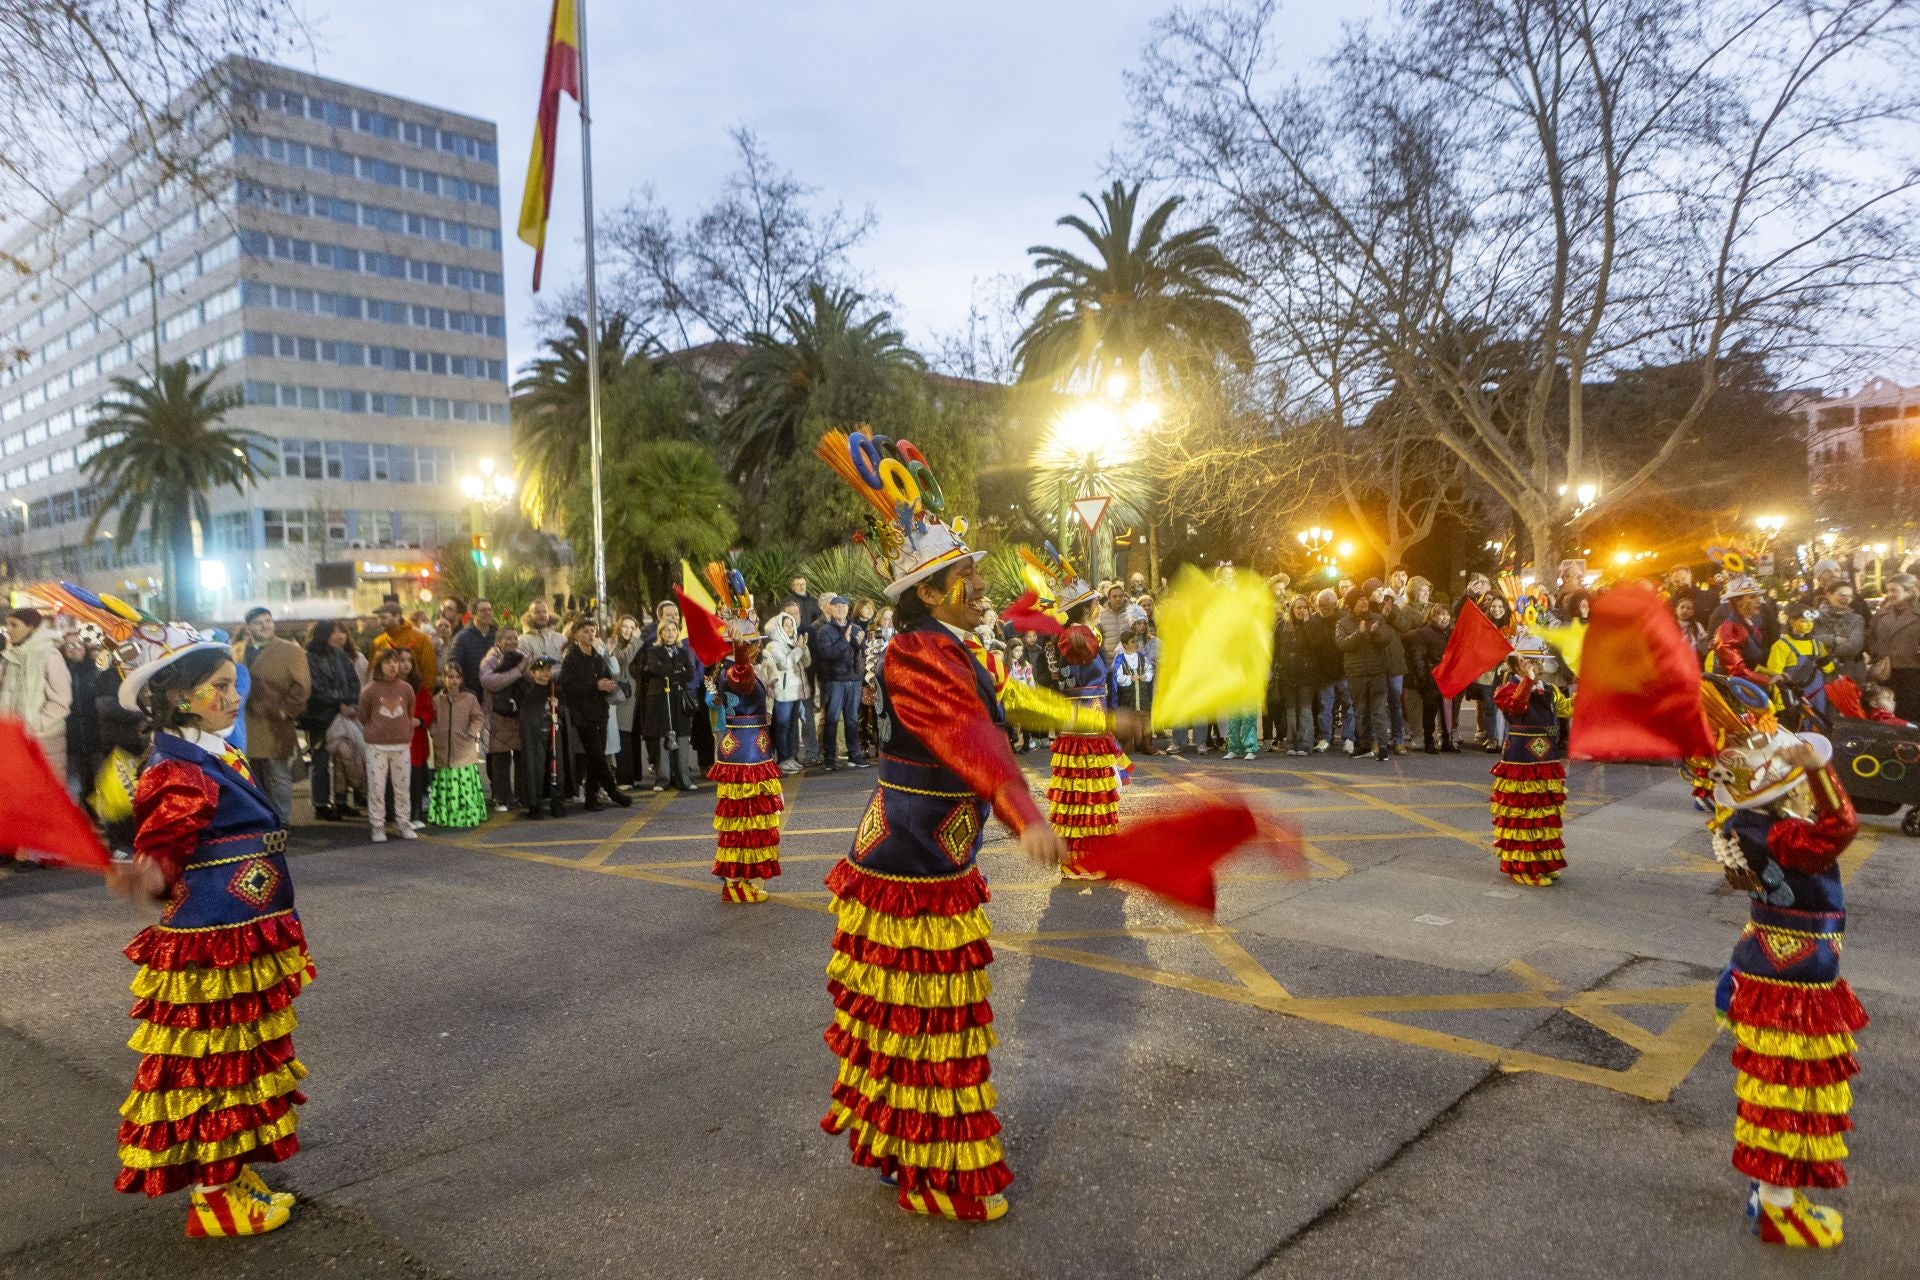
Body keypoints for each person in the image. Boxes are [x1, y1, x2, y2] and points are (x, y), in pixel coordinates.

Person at [814, 429, 1137, 1223]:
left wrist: (1096, 724)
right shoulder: (916, 654)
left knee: (922, 1018)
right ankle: (927, 1168)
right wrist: (1023, 811)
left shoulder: (959, 646)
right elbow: (971, 737)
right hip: (909, 858)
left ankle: (905, 1151)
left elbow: (1011, 704)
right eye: (966, 577)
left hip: (931, 853)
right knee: (924, 1017)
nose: (982, 583)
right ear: (928, 591)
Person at [108, 629, 308, 1234]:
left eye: (232, 682)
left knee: (241, 1060)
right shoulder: (180, 770)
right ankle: (215, 1198)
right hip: (214, 943)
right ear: (182, 695)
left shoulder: (208, 753)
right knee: (218, 1068)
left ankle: (231, 1171)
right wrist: (147, 875)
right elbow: (162, 857)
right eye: (221, 686)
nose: (234, 695)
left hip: (240, 933)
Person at [1700, 698, 1865, 1249]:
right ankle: (1776, 1207)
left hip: (1769, 964)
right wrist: (1820, 770)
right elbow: (1841, 825)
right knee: (1790, 1096)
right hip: (1791, 981)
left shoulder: (1756, 824)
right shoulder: (1780, 836)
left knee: (1776, 1091)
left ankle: (1766, 1194)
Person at [1047, 610, 1130, 879]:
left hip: (1076, 716)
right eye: (1096, 603)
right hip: (1089, 715)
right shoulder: (1082, 637)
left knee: (1077, 787)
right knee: (1090, 788)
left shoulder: (1070, 637)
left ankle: (1078, 860)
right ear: (1088, 609)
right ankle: (1090, 860)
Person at [709, 617, 784, 903]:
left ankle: (737, 881)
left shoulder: (726, 669)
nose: (756, 650)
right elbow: (742, 677)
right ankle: (737, 882)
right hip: (747, 753)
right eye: (753, 645)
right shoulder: (734, 670)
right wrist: (740, 649)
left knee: (743, 820)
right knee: (747, 820)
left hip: (745, 748)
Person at [1488, 645, 1572, 886]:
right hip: (1521, 760)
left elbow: (1566, 709)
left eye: (1538, 661)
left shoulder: (1550, 689)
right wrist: (1527, 681)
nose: (1535, 665)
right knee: (1524, 814)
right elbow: (1515, 708)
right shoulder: (1507, 689)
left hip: (1547, 758)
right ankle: (1523, 867)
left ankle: (1545, 863)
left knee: (1544, 815)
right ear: (1516, 665)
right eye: (1529, 661)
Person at [229, 609, 310, 827]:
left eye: (268, 620)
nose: (265, 625)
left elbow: (302, 686)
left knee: (279, 774)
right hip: (243, 722)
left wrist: (287, 710)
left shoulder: (291, 651)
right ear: (249, 627)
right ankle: (257, 818)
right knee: (248, 773)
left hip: (275, 722)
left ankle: (282, 821)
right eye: (258, 623)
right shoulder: (236, 651)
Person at [556, 619, 632, 811]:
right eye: (586, 631)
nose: (590, 635)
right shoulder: (572, 659)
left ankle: (591, 797)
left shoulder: (598, 658)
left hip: (600, 711)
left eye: (593, 631)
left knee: (594, 757)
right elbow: (568, 686)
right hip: (582, 714)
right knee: (596, 754)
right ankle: (612, 791)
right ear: (576, 635)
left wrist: (608, 686)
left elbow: (606, 676)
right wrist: (594, 686)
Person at [4, 609, 73, 791]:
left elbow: (61, 701)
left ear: (31, 627)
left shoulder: (49, 655)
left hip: (44, 740)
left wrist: (33, 725)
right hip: (14, 741)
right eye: (7, 624)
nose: (8, 629)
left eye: (14, 625)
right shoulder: (10, 657)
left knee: (47, 794)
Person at [300, 620, 361, 821]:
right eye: (334, 632)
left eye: (340, 632)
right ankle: (321, 803)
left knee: (345, 758)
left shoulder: (340, 654)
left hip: (344, 713)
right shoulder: (309, 658)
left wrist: (351, 703)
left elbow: (353, 681)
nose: (339, 636)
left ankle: (341, 800)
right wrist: (340, 704)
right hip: (320, 717)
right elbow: (315, 689)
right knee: (321, 759)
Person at [357, 649, 419, 842]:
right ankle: (377, 825)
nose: (393, 666)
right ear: (379, 666)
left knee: (402, 786)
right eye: (387, 662)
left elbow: (410, 712)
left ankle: (403, 823)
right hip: (377, 746)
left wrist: (407, 730)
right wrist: (373, 730)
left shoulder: (406, 689)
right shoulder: (369, 690)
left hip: (401, 744)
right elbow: (362, 715)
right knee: (377, 786)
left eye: (395, 662)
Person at [809, 596, 870, 771]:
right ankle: (829, 758)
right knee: (832, 719)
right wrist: (844, 640)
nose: (841, 609)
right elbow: (826, 654)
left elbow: (864, 650)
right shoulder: (825, 630)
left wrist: (860, 644)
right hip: (834, 680)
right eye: (837, 606)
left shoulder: (856, 627)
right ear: (830, 609)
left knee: (852, 720)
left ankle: (854, 755)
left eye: (844, 606)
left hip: (854, 679)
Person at [640, 618, 699, 792]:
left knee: (681, 736)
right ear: (660, 633)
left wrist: (669, 671)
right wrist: (675, 671)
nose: (670, 633)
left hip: (678, 699)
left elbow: (689, 674)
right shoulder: (654, 651)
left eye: (673, 629)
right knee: (662, 737)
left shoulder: (683, 652)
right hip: (660, 699)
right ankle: (663, 779)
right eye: (666, 630)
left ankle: (684, 779)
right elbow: (654, 669)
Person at [1335, 587, 1393, 762]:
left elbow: (1386, 640)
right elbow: (1342, 644)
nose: (1364, 602)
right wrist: (1359, 634)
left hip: (1378, 673)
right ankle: (1364, 745)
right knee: (1360, 711)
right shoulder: (1343, 623)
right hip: (1357, 674)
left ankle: (1382, 747)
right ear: (1352, 604)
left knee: (1379, 711)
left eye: (1365, 599)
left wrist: (1375, 632)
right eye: (1359, 600)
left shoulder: (1377, 618)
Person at [426, 663, 487, 828]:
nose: (453, 681)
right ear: (444, 679)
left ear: (461, 679)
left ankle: (466, 814)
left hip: (464, 749)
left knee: (463, 785)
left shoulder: (469, 699)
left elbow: (478, 717)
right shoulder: (437, 700)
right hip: (443, 749)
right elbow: (431, 719)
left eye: (456, 677)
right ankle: (445, 815)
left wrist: (471, 732)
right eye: (449, 677)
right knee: (446, 783)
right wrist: (434, 732)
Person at [479, 626, 527, 812]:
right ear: (498, 642)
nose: (513, 642)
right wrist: (518, 671)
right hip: (498, 714)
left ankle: (522, 795)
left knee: (522, 756)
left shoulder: (522, 657)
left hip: (518, 713)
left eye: (515, 638)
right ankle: (502, 797)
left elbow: (531, 676)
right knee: (500, 757)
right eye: (508, 639)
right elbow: (489, 682)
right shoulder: (490, 659)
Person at [759, 610, 810, 774]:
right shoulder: (773, 645)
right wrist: (798, 649)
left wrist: (803, 648)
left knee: (791, 726)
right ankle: (782, 759)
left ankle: (790, 758)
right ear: (778, 627)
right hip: (783, 693)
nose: (790, 628)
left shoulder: (791, 643)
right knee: (782, 726)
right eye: (786, 625)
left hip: (795, 692)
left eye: (791, 625)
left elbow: (806, 662)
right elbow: (786, 663)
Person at [513, 657, 564, 818]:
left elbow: (565, 712)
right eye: (541, 670)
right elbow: (526, 716)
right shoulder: (529, 692)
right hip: (535, 737)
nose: (545, 674)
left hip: (553, 735)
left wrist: (559, 708)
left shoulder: (556, 689)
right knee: (536, 769)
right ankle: (536, 804)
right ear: (533, 673)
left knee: (557, 769)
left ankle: (557, 803)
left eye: (548, 670)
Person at [1866, 574, 1920, 720]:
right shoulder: (1882, 613)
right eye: (1888, 590)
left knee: (1910, 711)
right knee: (1888, 712)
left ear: (1909, 592)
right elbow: (1871, 636)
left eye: (1894, 590)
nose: (1889, 594)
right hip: (1886, 671)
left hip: (1913, 671)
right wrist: (1878, 652)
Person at [1408, 603, 1459, 753]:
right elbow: (1417, 656)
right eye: (1441, 614)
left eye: (1447, 614)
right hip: (1432, 678)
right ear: (1432, 616)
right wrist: (1423, 677)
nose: (1445, 618)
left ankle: (1446, 740)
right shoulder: (1423, 633)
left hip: (1448, 678)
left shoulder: (1451, 632)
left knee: (1447, 711)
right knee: (1429, 712)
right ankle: (1429, 741)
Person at [1272, 596, 1317, 757]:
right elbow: (1275, 649)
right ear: (1292, 609)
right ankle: (1291, 742)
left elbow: (1317, 645)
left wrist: (1307, 625)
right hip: (1287, 674)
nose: (1301, 610)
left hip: (1307, 675)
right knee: (1290, 710)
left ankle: (1305, 744)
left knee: (1304, 710)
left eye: (1304, 607)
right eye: (1298, 607)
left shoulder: (1312, 624)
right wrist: (1276, 666)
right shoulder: (1283, 625)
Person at [61, 631, 103, 801]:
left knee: (101, 778)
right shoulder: (61, 671)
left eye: (78, 644)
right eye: (69, 646)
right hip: (72, 735)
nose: (74, 649)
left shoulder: (96, 669)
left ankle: (102, 814)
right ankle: (87, 813)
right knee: (80, 780)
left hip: (96, 733)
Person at [368, 600, 438, 690]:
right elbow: (372, 672)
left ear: (397, 616)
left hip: (415, 695)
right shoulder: (378, 642)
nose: (380, 622)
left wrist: (423, 698)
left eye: (384, 618)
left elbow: (430, 673)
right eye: (379, 618)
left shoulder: (421, 638)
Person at [611, 613, 645, 787]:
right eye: (625, 626)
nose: (628, 631)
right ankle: (625, 778)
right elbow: (622, 659)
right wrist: (635, 641)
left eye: (632, 627)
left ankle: (635, 775)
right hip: (623, 697)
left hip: (639, 696)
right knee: (624, 736)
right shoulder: (615, 644)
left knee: (634, 737)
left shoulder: (640, 645)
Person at [1812, 583, 1867, 684]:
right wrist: (1833, 640)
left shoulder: (1856, 619)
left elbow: (1853, 647)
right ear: (1828, 595)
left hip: (1847, 674)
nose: (1847, 599)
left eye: (1850, 596)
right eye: (1843, 594)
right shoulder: (1814, 617)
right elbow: (1807, 642)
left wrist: (1822, 649)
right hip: (1817, 674)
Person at [447, 600, 497, 700]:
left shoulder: (498, 635)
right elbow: (453, 664)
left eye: (489, 610)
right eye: (483, 610)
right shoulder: (462, 637)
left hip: (496, 694)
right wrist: (464, 690)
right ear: (473, 614)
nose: (487, 613)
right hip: (471, 694)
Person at [1096, 583, 1132, 659]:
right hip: (1109, 663)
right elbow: (1097, 640)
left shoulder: (1132, 613)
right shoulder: (1101, 616)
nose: (1118, 599)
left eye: (1120, 596)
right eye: (1114, 596)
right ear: (1109, 598)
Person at [1674, 595, 1710, 661]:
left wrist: (1702, 642)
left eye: (1688, 608)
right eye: (1682, 607)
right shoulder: (1669, 625)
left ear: (1692, 613)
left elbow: (1704, 652)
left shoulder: (1697, 626)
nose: (1685, 610)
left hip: (1693, 665)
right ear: (1676, 610)